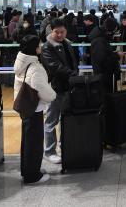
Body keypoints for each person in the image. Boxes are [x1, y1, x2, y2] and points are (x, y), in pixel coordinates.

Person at [14, 35, 56, 184]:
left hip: (25, 107)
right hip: (34, 108)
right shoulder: (35, 67)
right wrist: (53, 95)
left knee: (27, 141)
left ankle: (28, 170)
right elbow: (43, 91)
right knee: (35, 142)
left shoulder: (21, 61)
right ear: (34, 48)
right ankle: (33, 176)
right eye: (39, 45)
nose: (41, 46)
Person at [41, 19, 79, 164]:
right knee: (51, 120)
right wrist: (73, 74)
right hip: (55, 88)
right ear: (51, 31)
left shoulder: (67, 43)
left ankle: (65, 147)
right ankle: (49, 151)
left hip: (69, 86)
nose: (59, 34)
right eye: (56, 32)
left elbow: (73, 62)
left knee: (66, 119)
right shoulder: (47, 47)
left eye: (62, 32)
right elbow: (54, 67)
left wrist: (74, 74)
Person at [89, 18, 122, 94]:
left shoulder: (101, 38)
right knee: (106, 99)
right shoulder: (99, 41)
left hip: (105, 76)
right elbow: (102, 61)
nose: (115, 33)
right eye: (114, 31)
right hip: (104, 77)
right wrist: (117, 55)